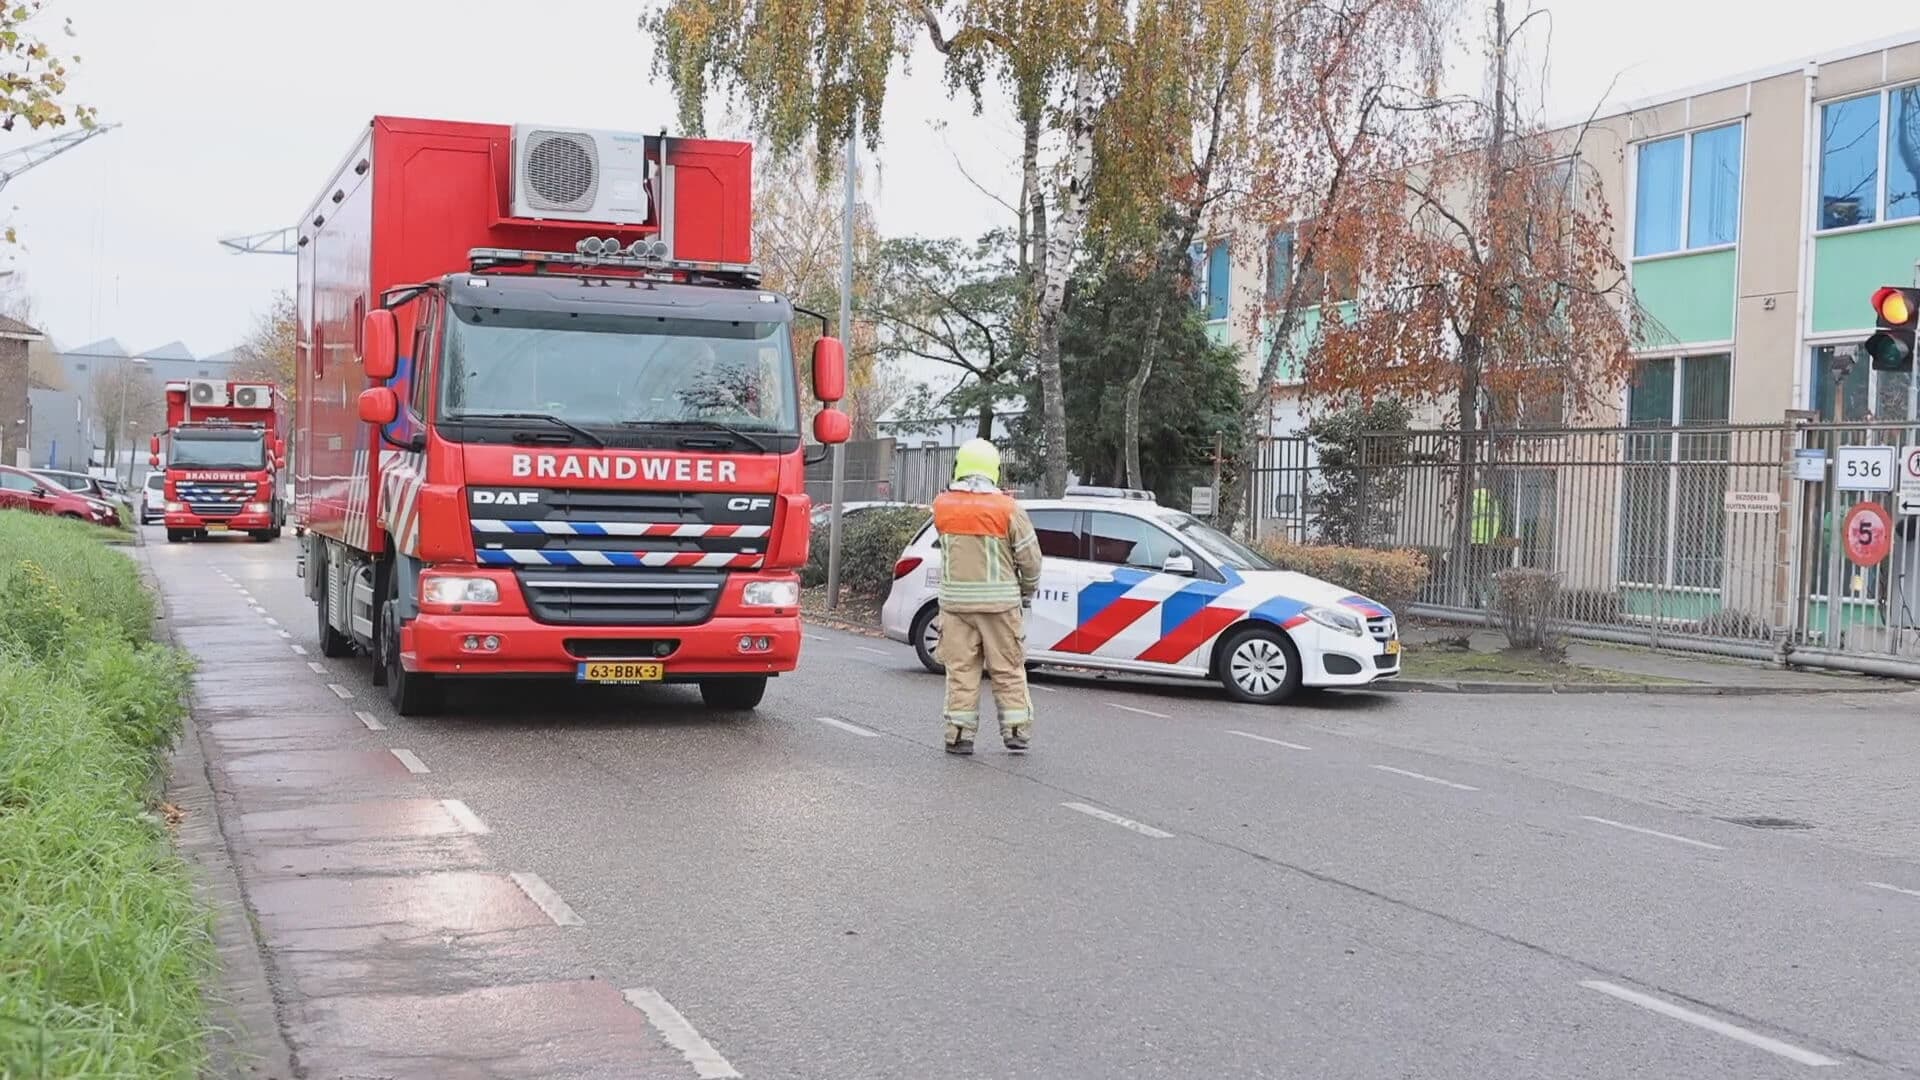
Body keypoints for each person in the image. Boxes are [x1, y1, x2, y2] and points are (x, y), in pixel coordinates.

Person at [931, 438, 1042, 755]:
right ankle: (1016, 731)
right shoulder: (1008, 509)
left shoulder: (943, 506)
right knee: (1007, 668)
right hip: (1000, 606)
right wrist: (1027, 589)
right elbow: (1030, 559)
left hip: (955, 605)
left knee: (961, 671)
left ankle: (959, 735)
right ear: (993, 470)